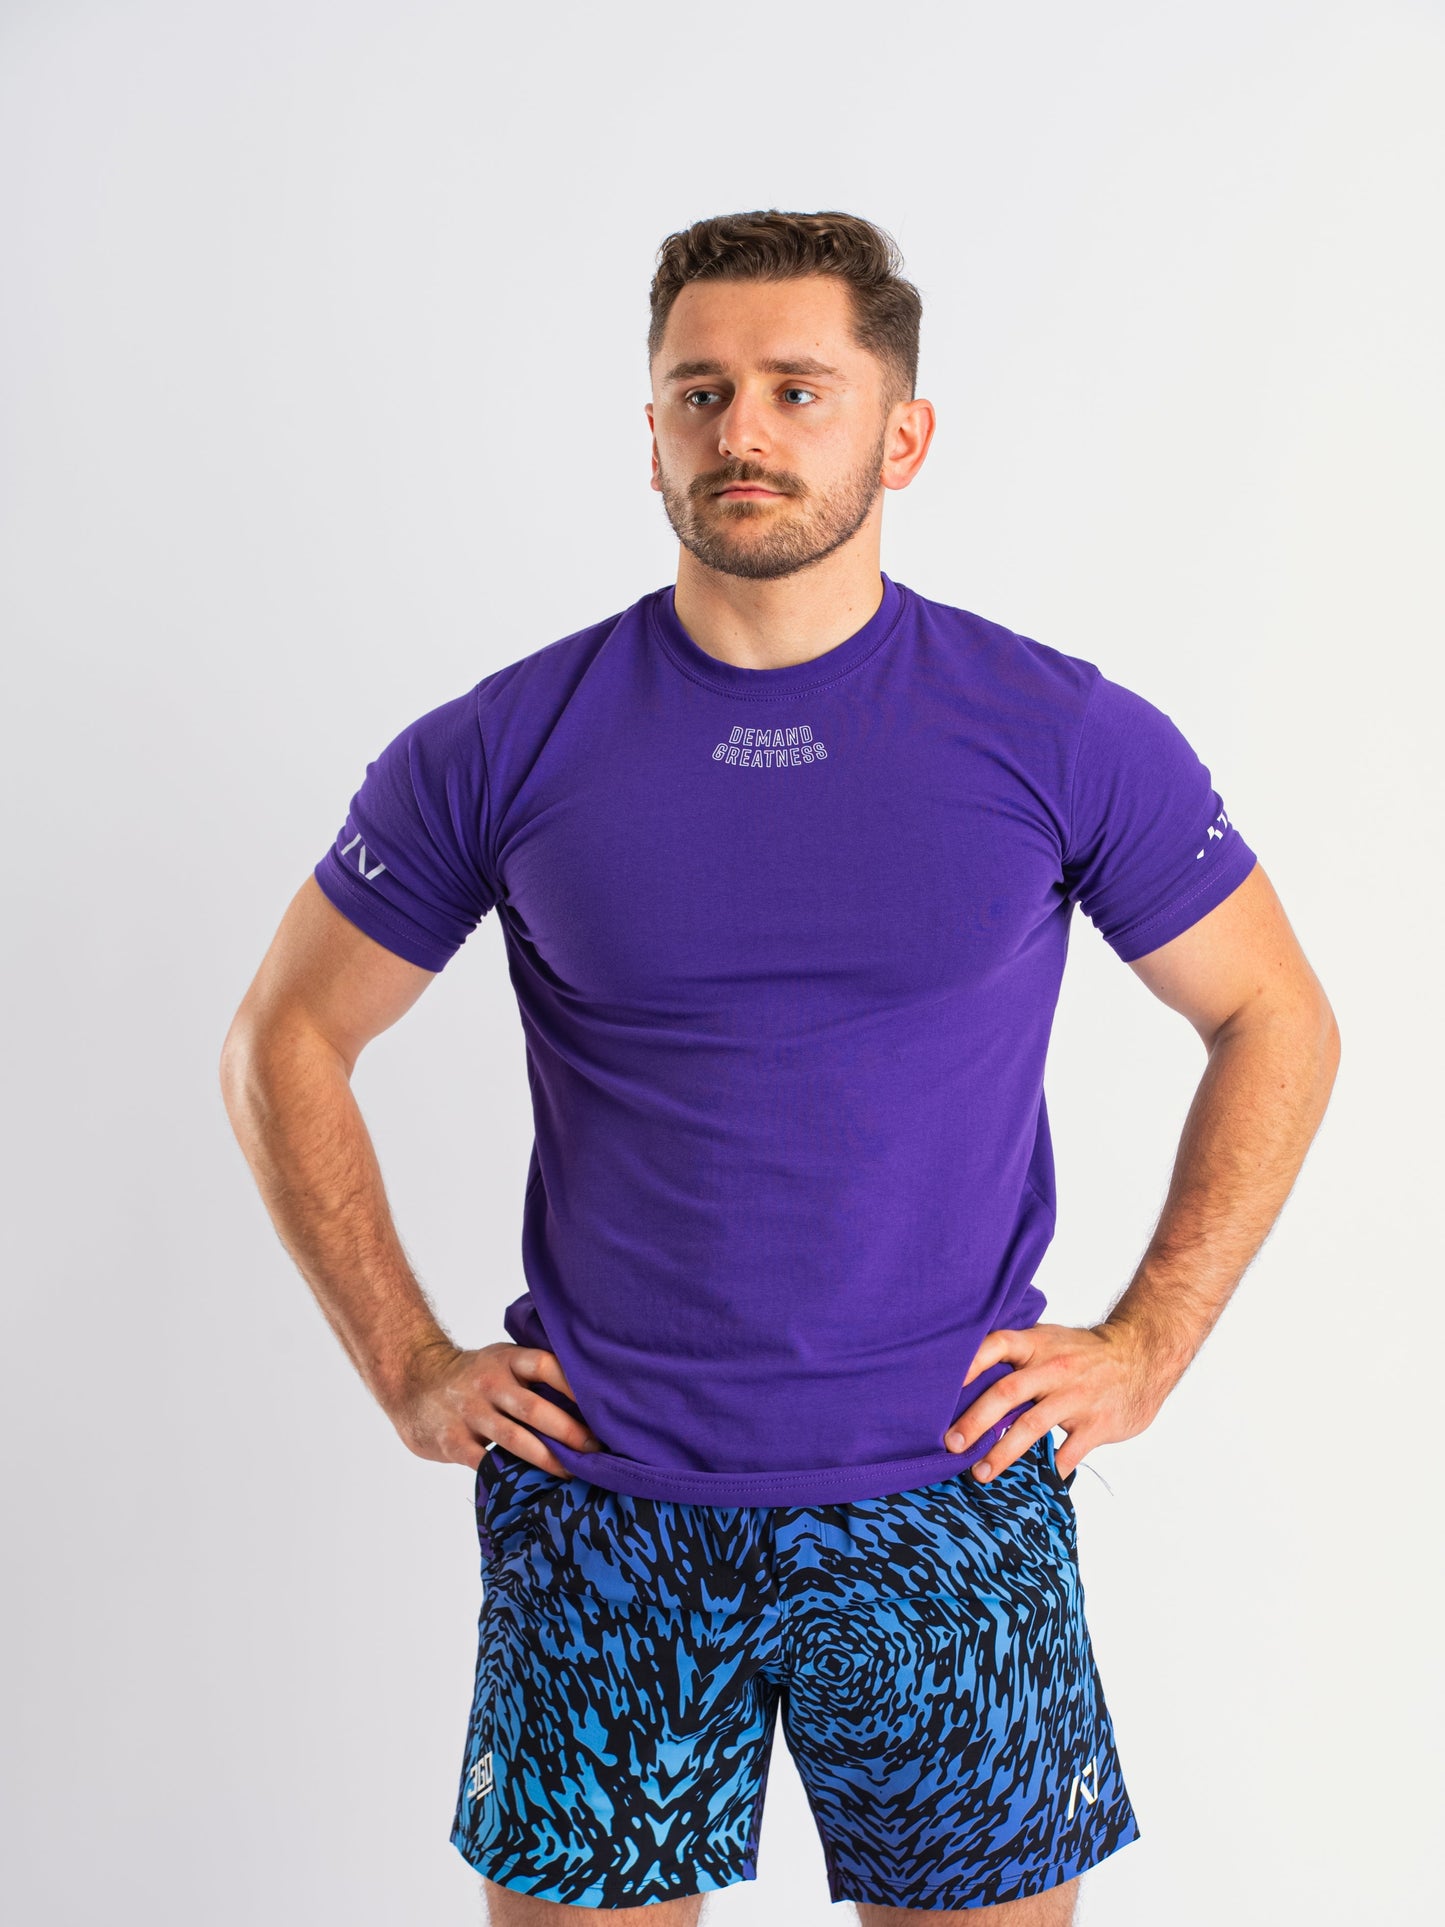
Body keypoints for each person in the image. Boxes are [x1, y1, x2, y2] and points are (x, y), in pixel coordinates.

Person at [220, 209, 1340, 1924]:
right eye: (701, 392)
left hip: (950, 1502)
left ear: (902, 433)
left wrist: (1148, 1343)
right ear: (651, 433)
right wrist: (406, 1365)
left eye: (798, 390)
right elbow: (285, 1035)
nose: (742, 431)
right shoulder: (503, 744)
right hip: (603, 1505)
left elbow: (1274, 1015)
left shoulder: (1056, 732)